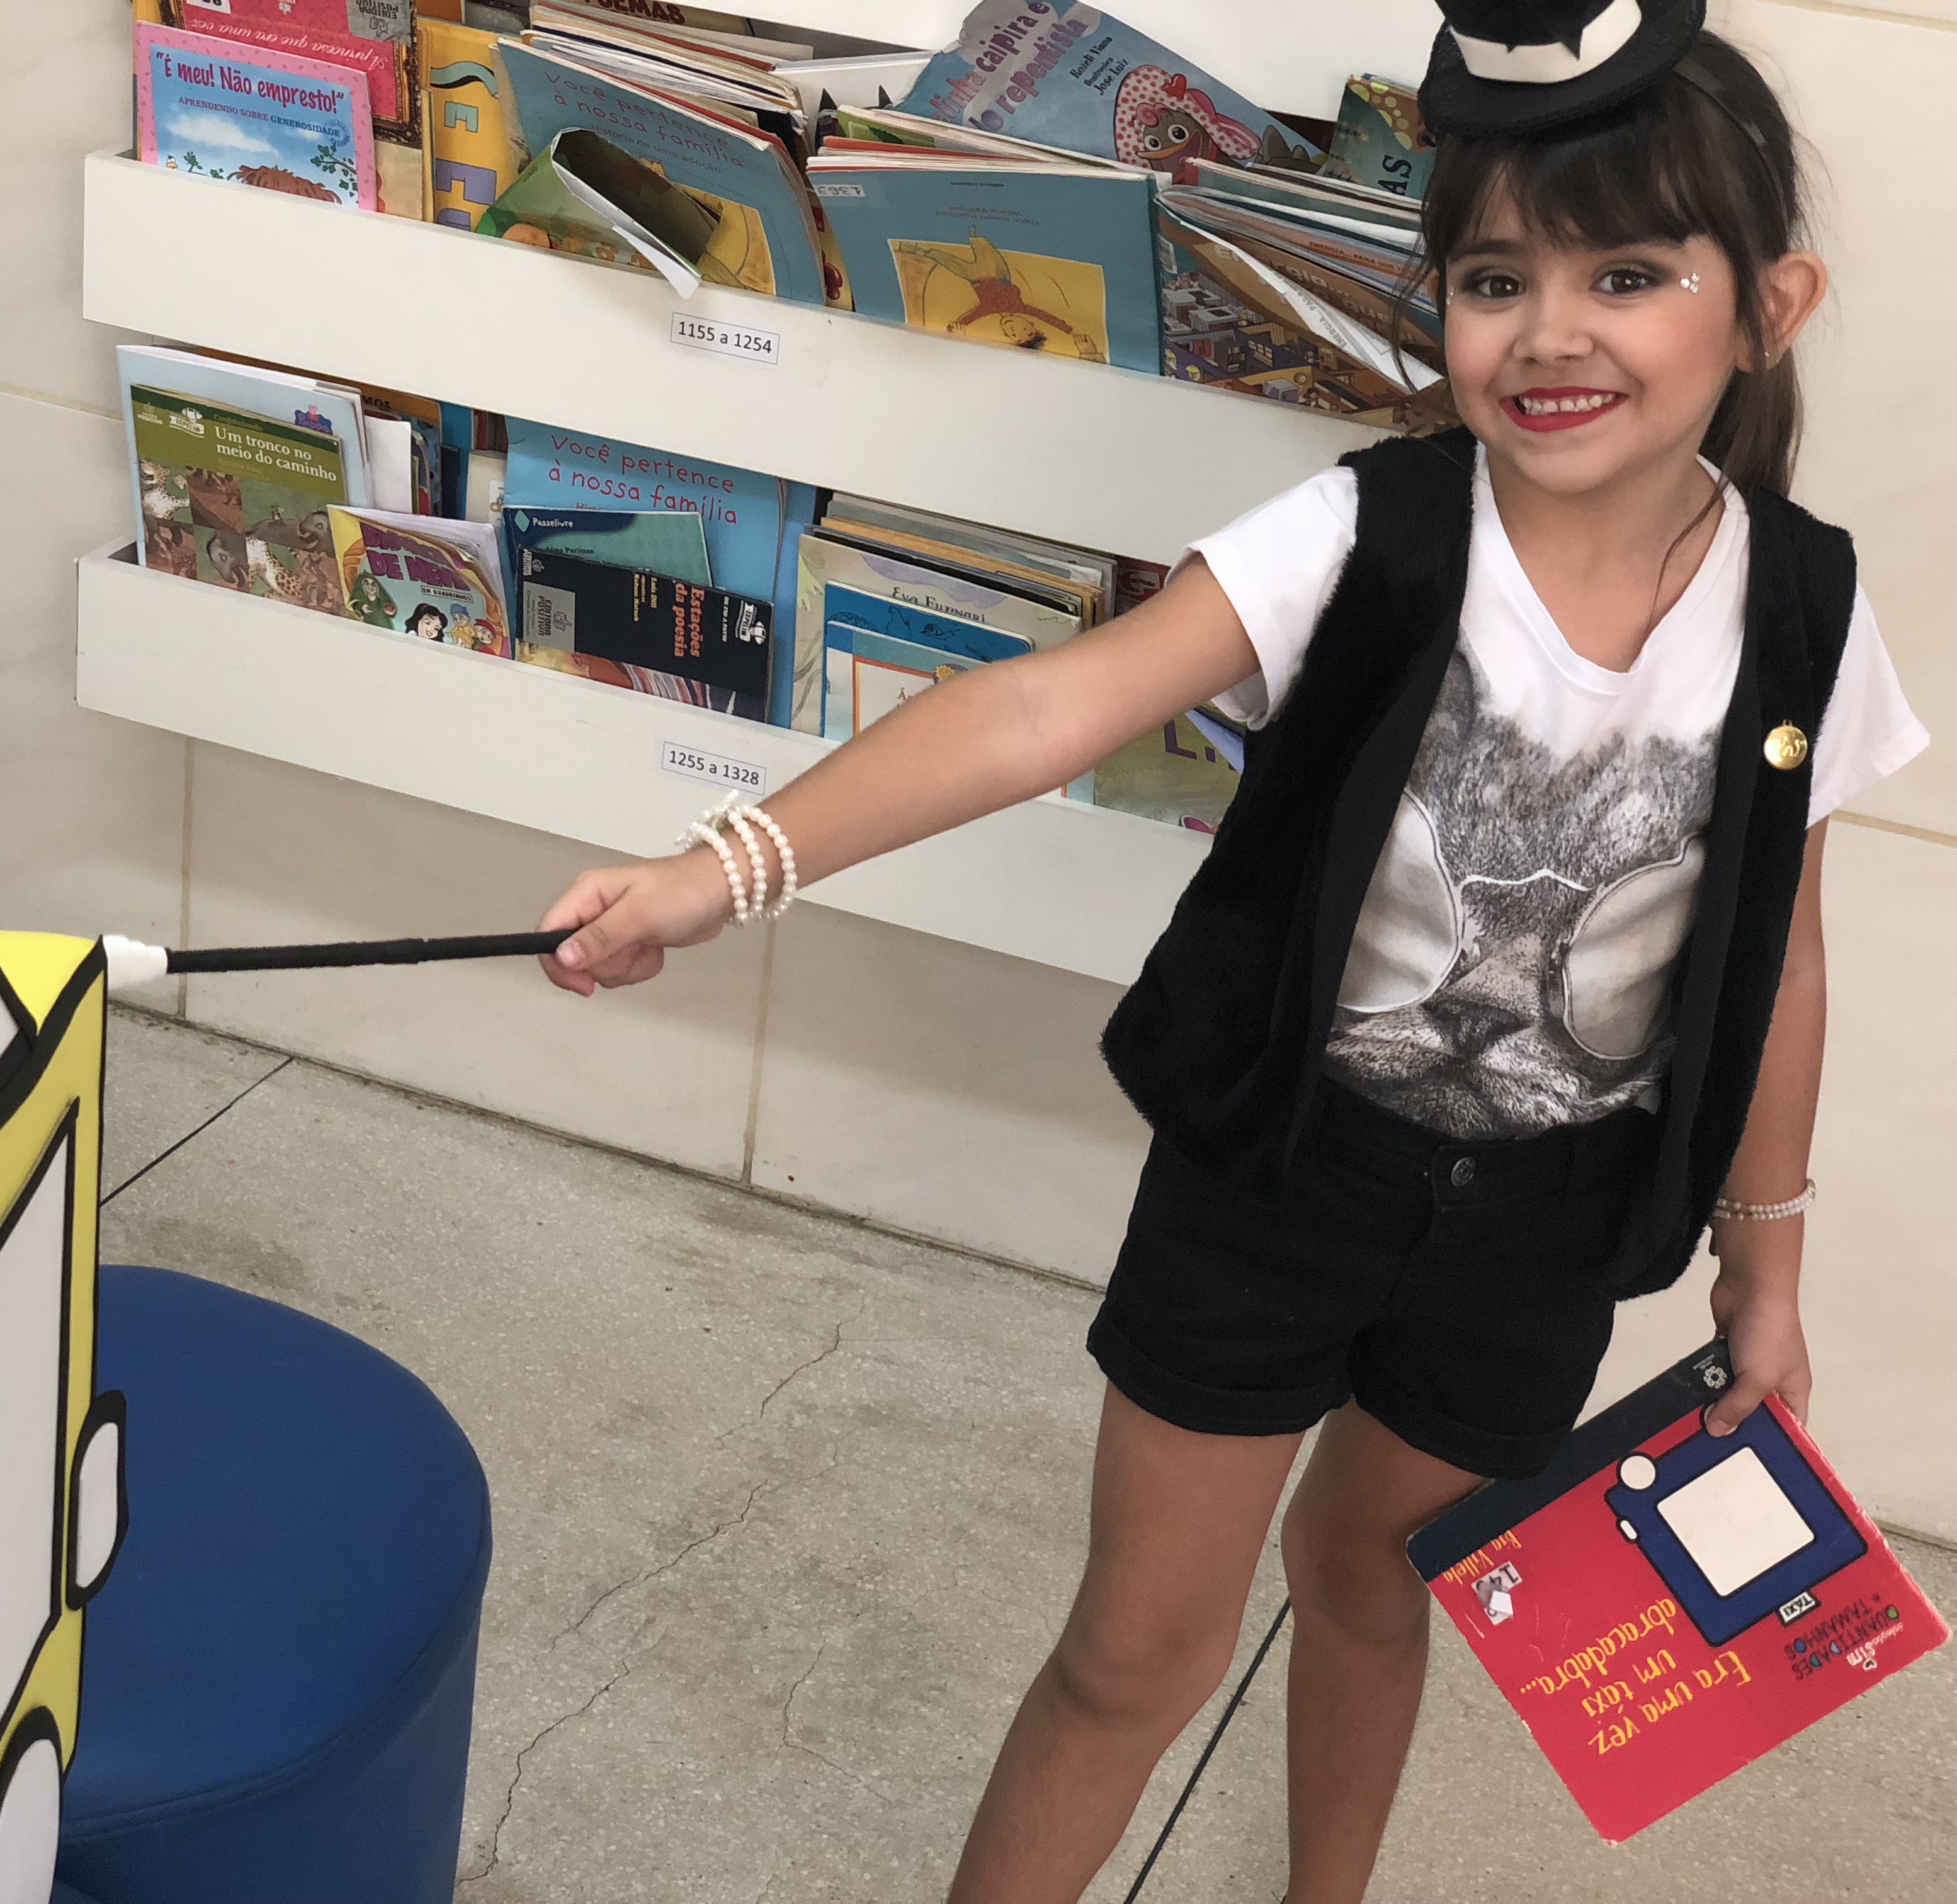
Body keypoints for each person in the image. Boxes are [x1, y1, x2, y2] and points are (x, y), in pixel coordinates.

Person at [530, 5, 1928, 1900]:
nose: (1553, 332)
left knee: (1372, 1578)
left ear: (1770, 306)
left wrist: (1767, 1267)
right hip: (1281, 1173)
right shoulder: (1372, 531)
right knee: (1138, 1655)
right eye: (1496, 279)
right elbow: (1049, 706)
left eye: (1628, 275)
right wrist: (728, 865)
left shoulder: (1808, 609)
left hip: (1549, 1228)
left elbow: (1783, 961)